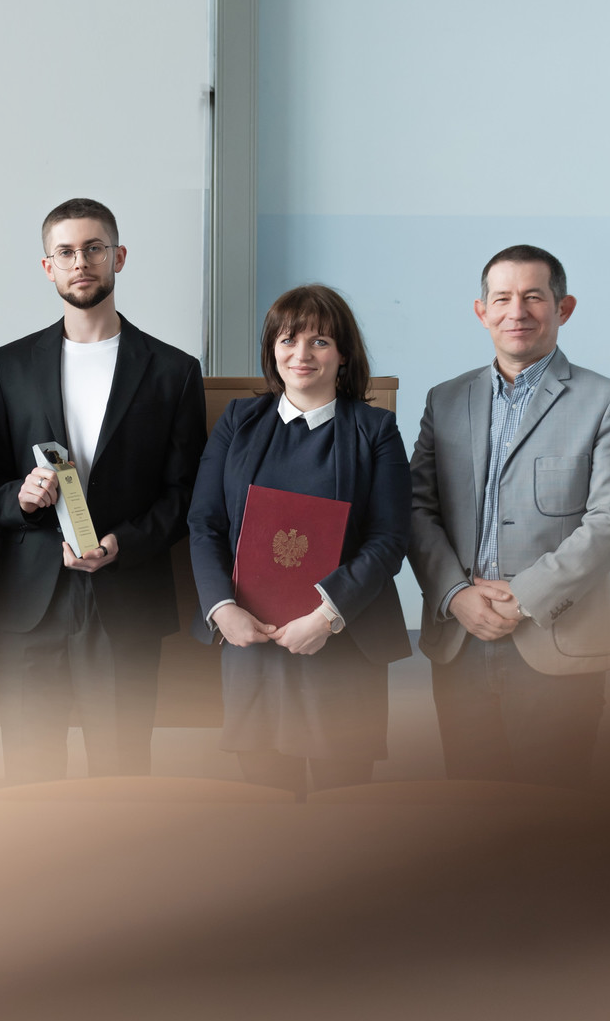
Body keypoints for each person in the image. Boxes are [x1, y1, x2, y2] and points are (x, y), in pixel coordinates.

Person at [0, 198, 207, 782]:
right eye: (66, 252)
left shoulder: (174, 370)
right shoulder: (6, 366)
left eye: (93, 249)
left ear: (119, 257)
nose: (80, 262)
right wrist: (20, 499)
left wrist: (122, 543)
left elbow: (185, 495)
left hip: (125, 597)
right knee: (28, 784)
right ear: (48, 267)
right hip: (31, 602)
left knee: (121, 782)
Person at [409, 245, 610, 787]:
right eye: (502, 298)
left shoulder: (609, 401)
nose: (516, 311)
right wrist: (455, 595)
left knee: (553, 818)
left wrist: (523, 599)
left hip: (559, 641)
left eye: (534, 297)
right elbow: (417, 509)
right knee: (468, 817)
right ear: (481, 311)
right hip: (460, 642)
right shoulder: (445, 400)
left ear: (564, 308)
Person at [187, 285, 411, 797]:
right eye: (288, 340)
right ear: (272, 349)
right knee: (266, 814)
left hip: (343, 643)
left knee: (343, 812)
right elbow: (205, 524)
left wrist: (326, 616)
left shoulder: (376, 430)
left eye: (320, 341)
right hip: (251, 643)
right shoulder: (238, 422)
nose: (301, 354)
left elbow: (388, 540)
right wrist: (222, 608)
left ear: (344, 354)